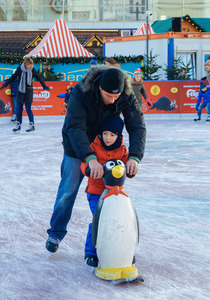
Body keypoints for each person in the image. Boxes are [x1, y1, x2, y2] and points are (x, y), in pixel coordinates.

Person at [45, 66, 146, 254]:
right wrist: (89, 158)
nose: (112, 100)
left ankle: (107, 238)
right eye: (109, 96)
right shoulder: (81, 92)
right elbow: (75, 127)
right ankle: (56, 233)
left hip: (105, 147)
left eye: (116, 97)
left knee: (108, 193)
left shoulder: (125, 94)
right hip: (77, 148)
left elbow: (137, 125)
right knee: (68, 190)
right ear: (99, 87)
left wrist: (134, 156)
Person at [80, 115, 130, 268]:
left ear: (118, 135)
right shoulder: (93, 146)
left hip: (116, 193)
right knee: (100, 220)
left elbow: (127, 165)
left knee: (119, 221)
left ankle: (120, 250)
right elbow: (84, 164)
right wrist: (89, 169)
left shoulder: (122, 150)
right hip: (95, 193)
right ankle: (91, 253)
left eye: (112, 135)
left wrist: (131, 169)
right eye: (105, 133)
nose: (108, 138)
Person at [0, 57, 50, 132]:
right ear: (26, 64)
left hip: (29, 91)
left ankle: (32, 125)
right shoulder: (20, 69)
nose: (31, 66)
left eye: (31, 65)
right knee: (19, 109)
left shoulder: (32, 69)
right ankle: (18, 125)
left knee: (28, 108)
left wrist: (44, 86)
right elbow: (13, 77)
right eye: (30, 65)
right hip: (20, 90)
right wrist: (5, 84)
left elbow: (39, 77)